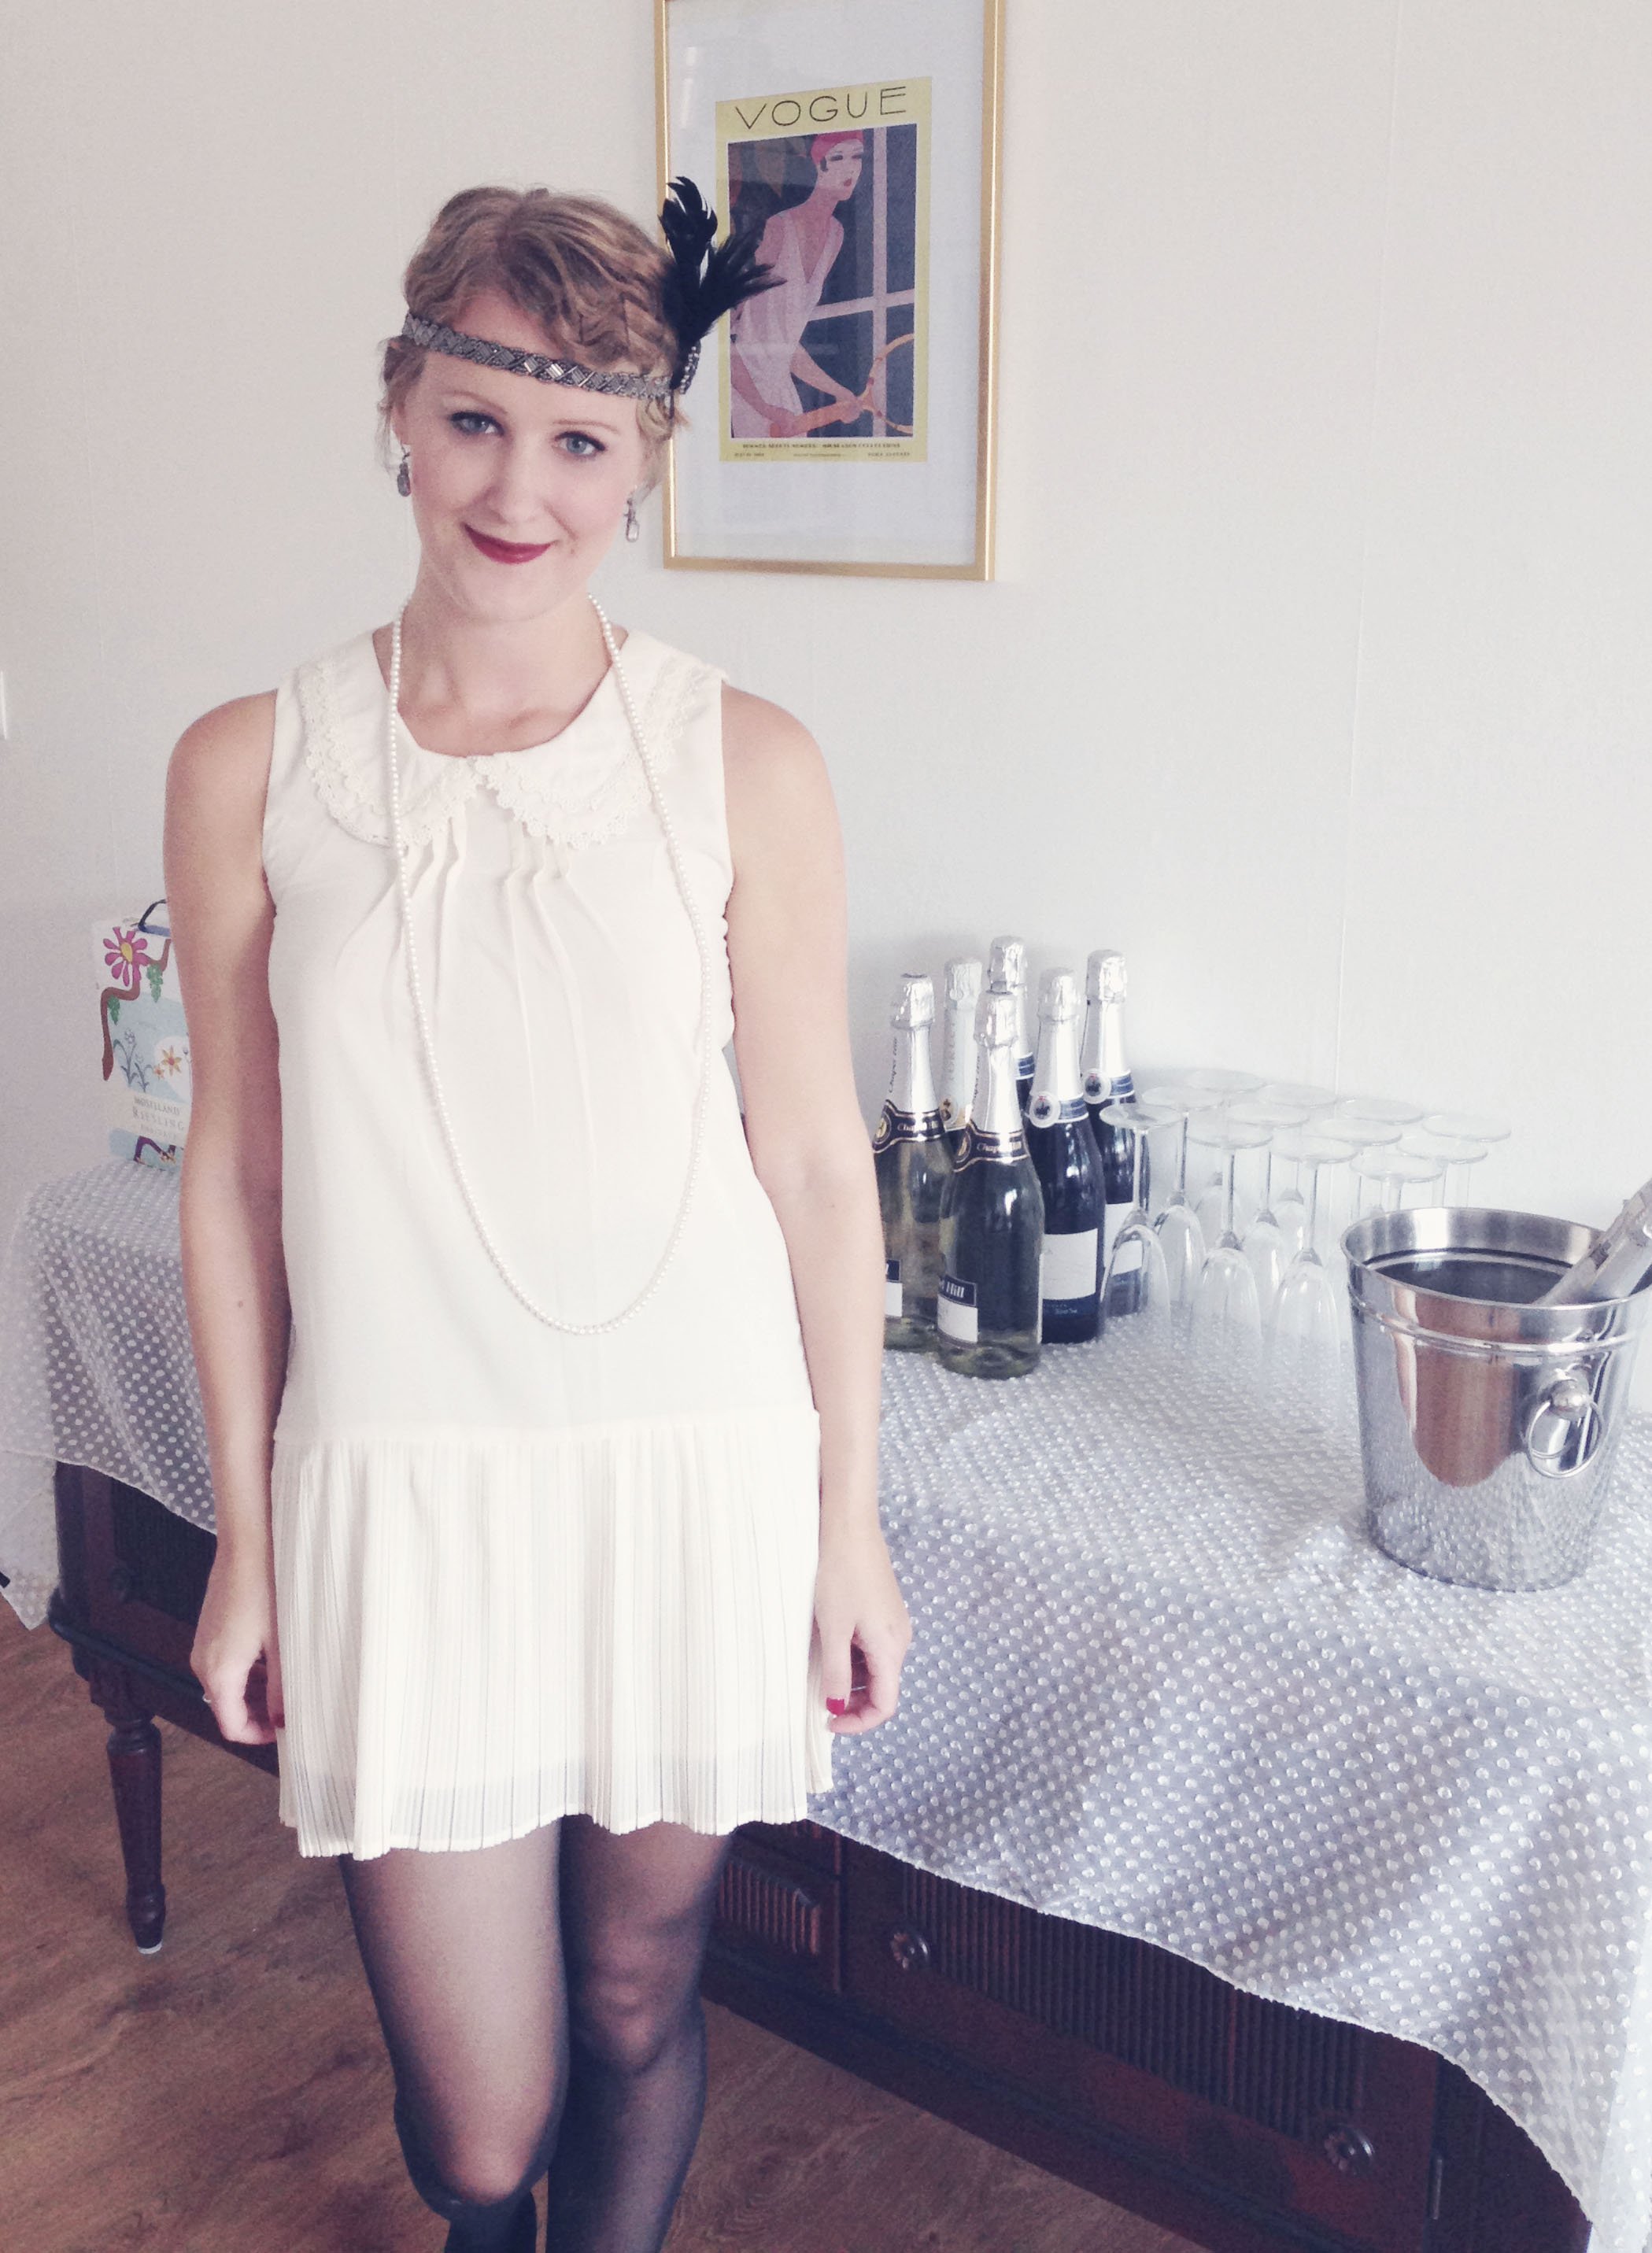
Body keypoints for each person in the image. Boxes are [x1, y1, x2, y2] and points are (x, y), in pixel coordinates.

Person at [165, 183, 910, 2253]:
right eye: (476, 420)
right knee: (481, 2118)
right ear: (398, 411)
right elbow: (235, 1170)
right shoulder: (249, 763)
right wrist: (248, 1535)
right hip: (403, 1488)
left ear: (644, 462)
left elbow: (813, 1162)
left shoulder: (745, 757)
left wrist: (846, 1517)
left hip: (691, 1469)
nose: (519, 489)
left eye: (580, 438)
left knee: (635, 1990)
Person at [729, 132, 867, 438]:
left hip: (782, 398)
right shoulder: (778, 229)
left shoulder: (836, 235)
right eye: (838, 157)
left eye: (857, 157)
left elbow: (785, 346)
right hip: (745, 394)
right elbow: (728, 341)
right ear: (818, 165)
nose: (850, 168)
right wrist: (766, 410)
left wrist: (840, 392)